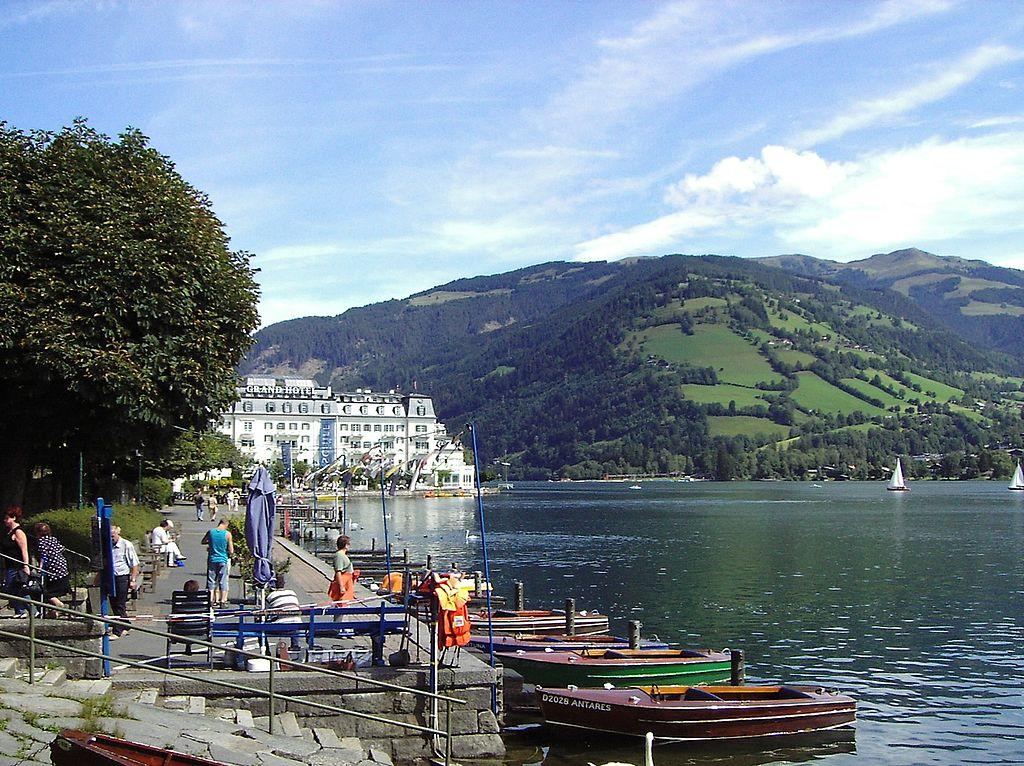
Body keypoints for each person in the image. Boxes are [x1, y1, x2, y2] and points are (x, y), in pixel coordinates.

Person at [107, 525, 139, 638]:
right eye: (109, 536)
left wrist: (133, 580)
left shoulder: (126, 545)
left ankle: (117, 631)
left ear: (117, 534)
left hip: (122, 577)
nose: (111, 538)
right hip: (111, 577)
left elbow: (134, 564)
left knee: (120, 604)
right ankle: (126, 625)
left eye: (112, 536)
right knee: (114, 604)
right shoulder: (107, 545)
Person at [32, 522, 70, 614]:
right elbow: (61, 549)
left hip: (53, 569)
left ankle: (58, 605)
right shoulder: (53, 539)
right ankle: (54, 611)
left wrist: (40, 568)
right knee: (55, 590)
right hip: (62, 567)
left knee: (45, 592)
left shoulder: (41, 542)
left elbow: (43, 556)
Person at [1, 507, 30, 616]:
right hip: (9, 565)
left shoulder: (18, 532)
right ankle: (22, 611)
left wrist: (25, 565)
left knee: (14, 588)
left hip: (17, 565)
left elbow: (24, 550)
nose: (5, 521)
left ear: (14, 518)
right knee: (14, 589)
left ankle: (27, 610)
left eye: (7, 518)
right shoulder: (8, 532)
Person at [201, 518, 233, 608]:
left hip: (212, 559)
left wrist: (210, 544)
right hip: (223, 559)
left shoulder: (211, 532)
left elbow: (203, 541)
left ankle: (210, 600)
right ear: (226, 525)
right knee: (223, 580)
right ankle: (223, 601)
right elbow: (231, 550)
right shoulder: (227, 534)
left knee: (211, 580)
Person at [266, 574, 303, 650]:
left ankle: (266, 651)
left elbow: (266, 613)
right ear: (284, 584)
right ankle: (295, 646)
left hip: (279, 628)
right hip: (295, 627)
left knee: (261, 630)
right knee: (294, 621)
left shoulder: (271, 596)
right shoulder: (292, 593)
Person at [328, 535, 357, 603]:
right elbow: (338, 571)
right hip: (343, 583)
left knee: (345, 603)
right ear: (345, 545)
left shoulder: (343, 555)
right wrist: (341, 587)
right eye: (348, 544)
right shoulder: (339, 555)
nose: (349, 546)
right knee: (341, 604)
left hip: (348, 583)